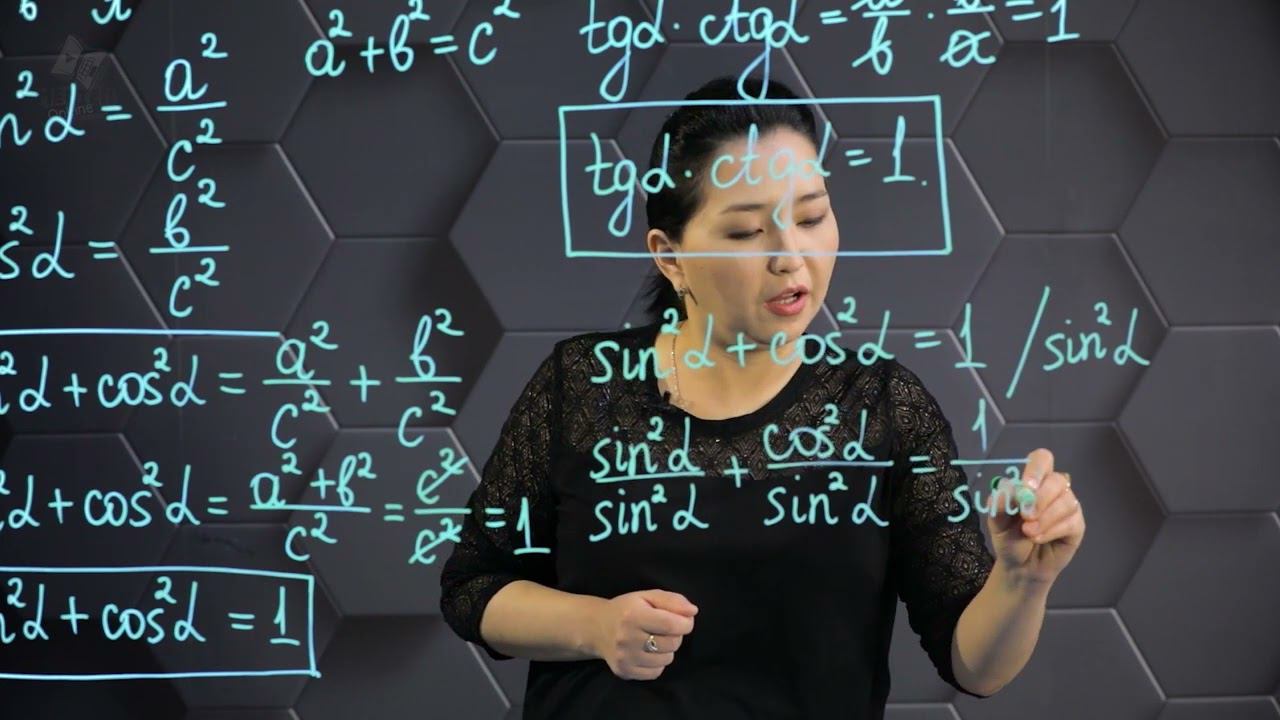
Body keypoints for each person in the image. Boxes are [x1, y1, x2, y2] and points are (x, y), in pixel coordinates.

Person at [440, 75, 1085, 719]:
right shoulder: (585, 383)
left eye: (811, 217)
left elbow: (976, 667)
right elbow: (473, 586)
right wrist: (595, 626)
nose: (790, 256)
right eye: (747, 232)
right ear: (671, 257)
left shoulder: (882, 405)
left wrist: (1023, 579)